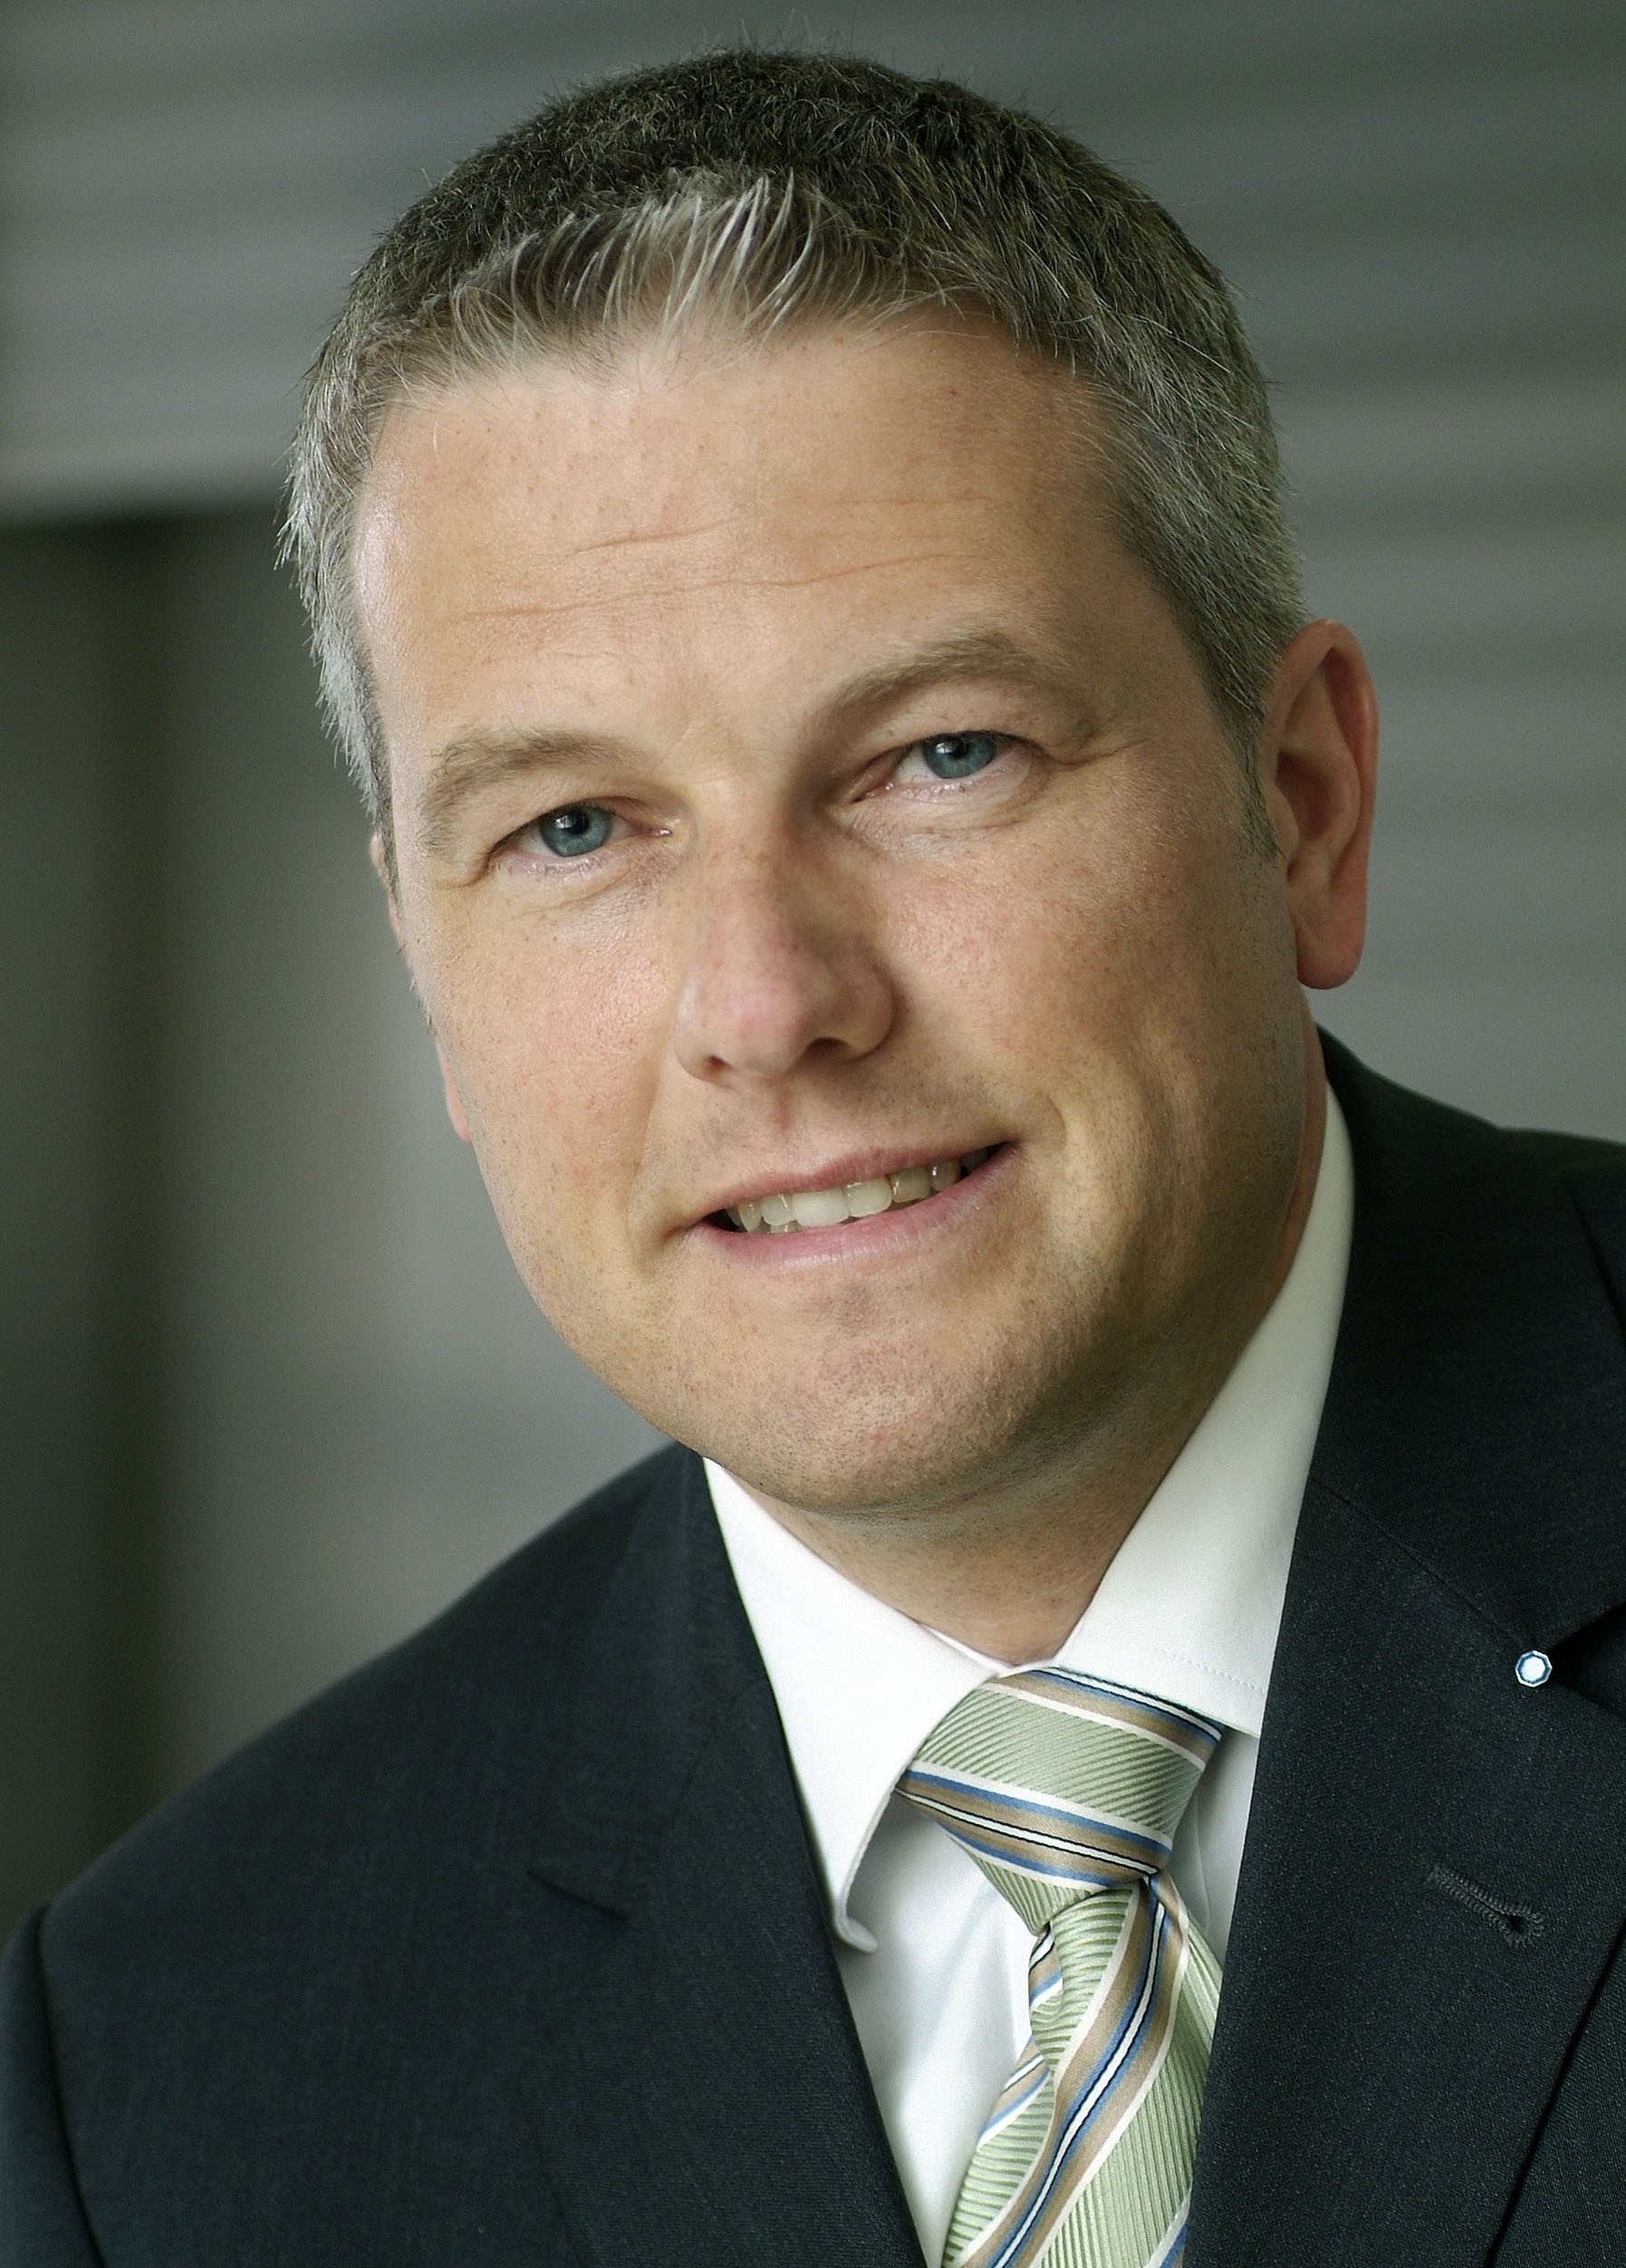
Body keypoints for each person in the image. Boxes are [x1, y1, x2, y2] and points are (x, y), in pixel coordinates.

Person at [3, 48, 1622, 2268]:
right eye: (576, 827)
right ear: (423, 960)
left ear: (1303, 804)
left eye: (941, 755)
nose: (766, 1003)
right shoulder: (174, 2067)